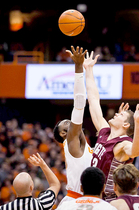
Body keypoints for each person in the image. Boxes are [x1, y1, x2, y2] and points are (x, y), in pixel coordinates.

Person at [84, 51, 139, 201]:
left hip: (110, 200)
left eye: (121, 115)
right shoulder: (104, 131)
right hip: (93, 196)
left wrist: (137, 122)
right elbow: (93, 100)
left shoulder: (123, 143)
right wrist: (89, 70)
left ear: (125, 124)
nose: (116, 114)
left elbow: (135, 151)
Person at [52, 46, 93, 206]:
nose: (71, 123)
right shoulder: (71, 141)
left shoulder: (86, 147)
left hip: (85, 199)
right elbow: (79, 103)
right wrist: (78, 67)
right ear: (64, 134)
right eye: (67, 125)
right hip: (75, 201)